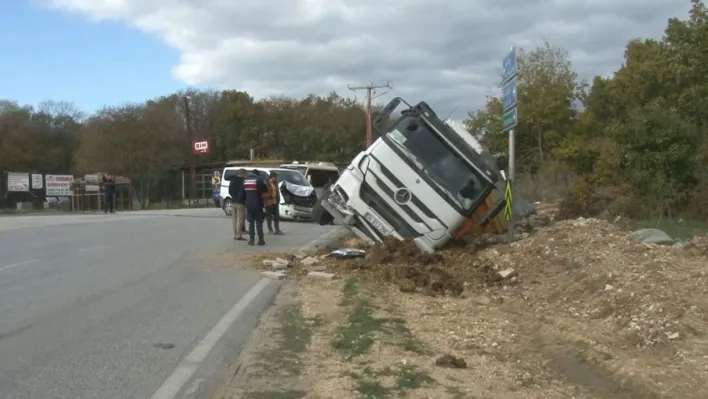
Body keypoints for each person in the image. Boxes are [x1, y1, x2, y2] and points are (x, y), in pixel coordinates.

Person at [238, 169, 268, 245]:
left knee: (251, 223)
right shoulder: (259, 180)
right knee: (259, 223)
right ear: (257, 174)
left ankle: (251, 240)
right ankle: (261, 240)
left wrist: (245, 202)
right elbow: (266, 189)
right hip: (258, 205)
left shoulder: (245, 181)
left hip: (249, 205)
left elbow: (242, 194)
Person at [229, 168, 247, 241]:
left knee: (234, 219)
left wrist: (234, 196)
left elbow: (229, 191)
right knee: (240, 219)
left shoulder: (232, 181)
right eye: (245, 174)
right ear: (242, 174)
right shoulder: (243, 182)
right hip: (240, 202)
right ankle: (239, 235)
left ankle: (234, 234)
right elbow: (245, 192)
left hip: (233, 201)